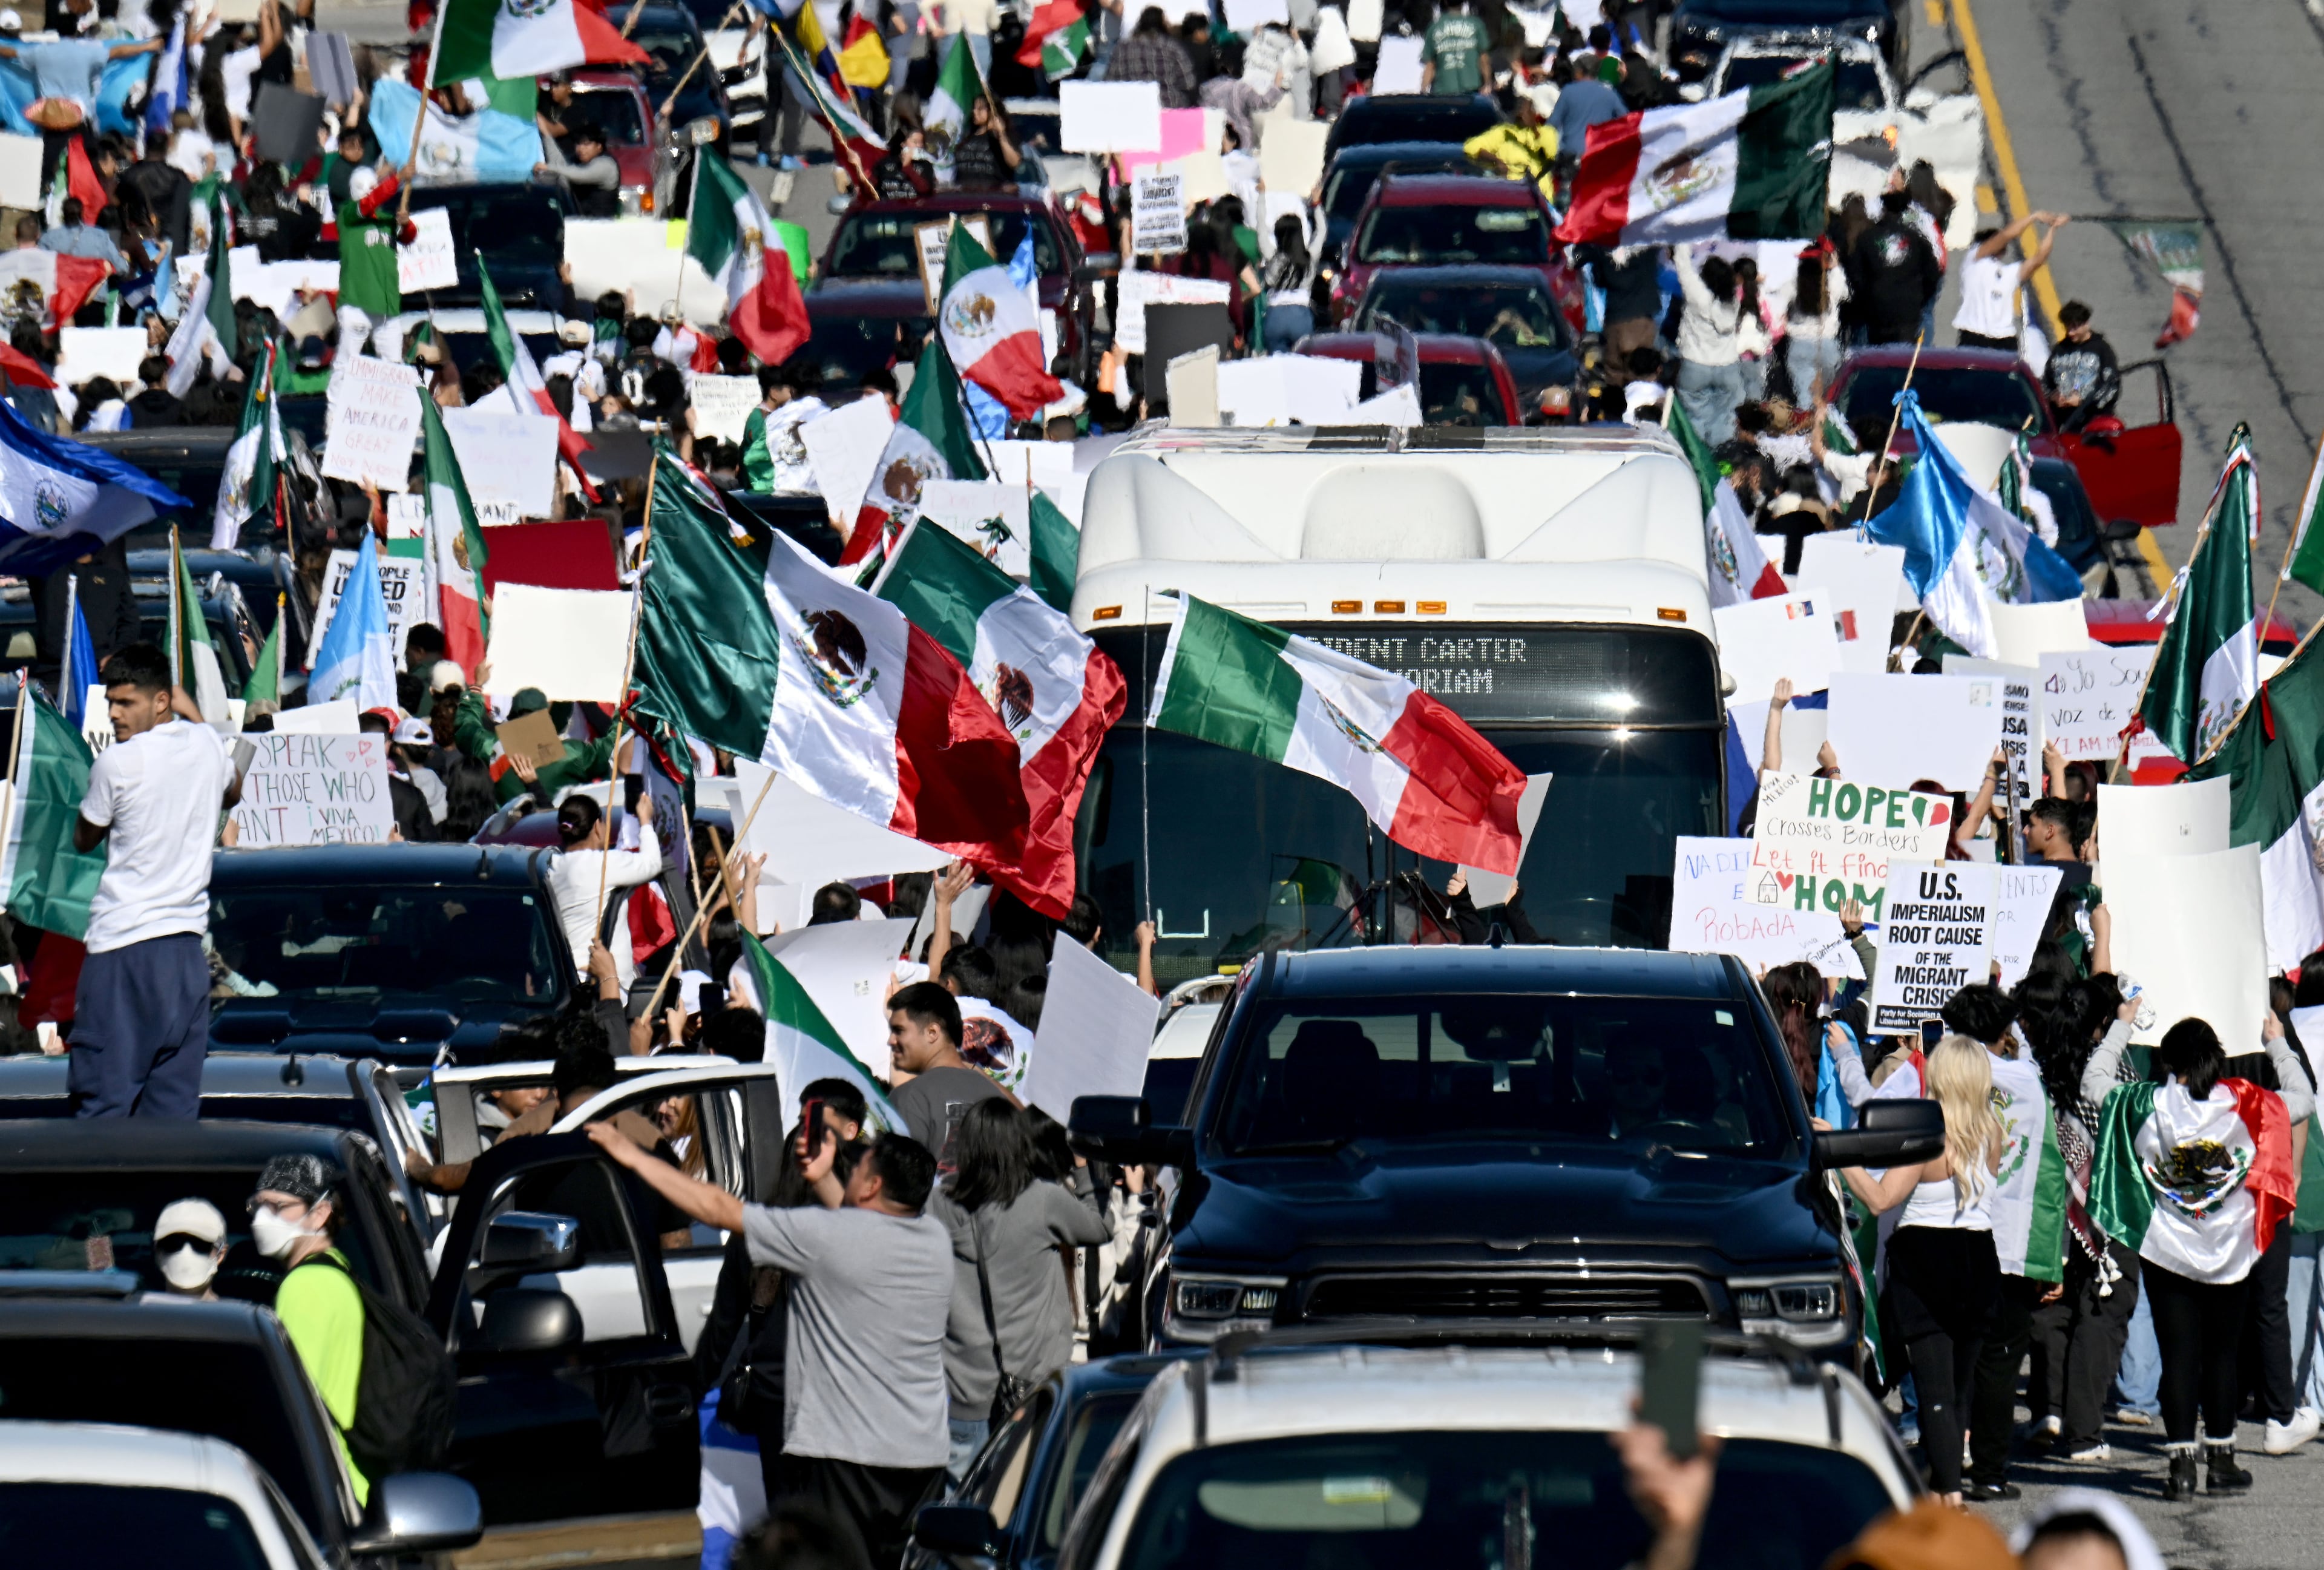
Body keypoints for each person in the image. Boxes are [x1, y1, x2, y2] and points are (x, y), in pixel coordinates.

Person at [586, 1119, 952, 1570]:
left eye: (857, 1170)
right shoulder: (934, 1241)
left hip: (852, 1457)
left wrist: (633, 1156)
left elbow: (718, 1208)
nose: (849, 1173)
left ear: (873, 1184)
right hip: (923, 1455)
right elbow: (860, 1229)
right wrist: (822, 1178)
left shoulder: (825, 1237)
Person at [2083, 1013, 2307, 1499]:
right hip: (2231, 1249)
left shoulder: (2149, 1103)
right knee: (2222, 1357)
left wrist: (2121, 1026)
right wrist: (2277, 1044)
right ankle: (2222, 1461)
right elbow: (2305, 1099)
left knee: (2179, 1356)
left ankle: (2181, 1466)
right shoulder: (2245, 1102)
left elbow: (2093, 1083)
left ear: (2169, 1059)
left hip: (2169, 1250)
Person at [1828, 1036, 2003, 1503]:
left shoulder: (1928, 1138)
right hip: (1980, 1258)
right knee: (1959, 1388)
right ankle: (1945, 1478)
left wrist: (1837, 1152)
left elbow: (1881, 1198)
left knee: (1934, 1389)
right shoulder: (1992, 1131)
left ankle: (1948, 1492)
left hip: (1926, 1260)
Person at [70, 645, 238, 1117]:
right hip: (185, 958)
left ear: (160, 701)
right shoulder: (206, 744)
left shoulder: (117, 763)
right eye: (111, 704)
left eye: (127, 703)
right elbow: (234, 785)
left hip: (124, 950)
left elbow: (85, 838)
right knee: (171, 1116)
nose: (115, 715)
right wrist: (194, 714)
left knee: (103, 1109)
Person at [939, 1100, 1112, 1480]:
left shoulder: (941, 1205)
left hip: (963, 1385)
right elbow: (1101, 1227)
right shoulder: (1042, 1200)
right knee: (1032, 1498)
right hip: (1034, 1386)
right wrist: (1086, 1172)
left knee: (958, 1504)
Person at [2020, 973, 2143, 1465]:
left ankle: (2048, 1409)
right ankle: (2084, 1432)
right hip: (2109, 1214)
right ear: (2105, 1022)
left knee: (2058, 1306)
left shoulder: (2047, 1065)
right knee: (2104, 1312)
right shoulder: (2111, 1071)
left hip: (2056, 1209)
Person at [251, 1152, 371, 1508]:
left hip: (328, 1492)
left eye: (278, 1207)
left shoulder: (305, 1287)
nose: (262, 1219)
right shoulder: (335, 1270)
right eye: (257, 1207)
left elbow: (291, 1406)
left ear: (319, 1213)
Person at [545, 791, 662, 985]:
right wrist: (646, 822)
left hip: (562, 983)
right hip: (605, 987)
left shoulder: (551, 867)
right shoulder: (605, 864)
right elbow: (653, 864)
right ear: (598, 827)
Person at [884, 981, 1007, 1157]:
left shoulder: (909, 1098)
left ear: (933, 1033)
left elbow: (899, 1175)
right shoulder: (997, 1096)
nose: (891, 1040)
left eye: (899, 1031)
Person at [1954, 211, 2064, 351]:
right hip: (1974, 333)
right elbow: (2007, 235)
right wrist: (2033, 217)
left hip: (2004, 337)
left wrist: (2052, 229)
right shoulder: (1974, 259)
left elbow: (2039, 258)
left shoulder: (2009, 273)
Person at [1670, 243, 1745, 444]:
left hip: (1695, 365)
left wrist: (1683, 239)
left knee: (1695, 420)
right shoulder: (1733, 303)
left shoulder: (1698, 296)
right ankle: (1722, 461)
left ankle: (1698, 465)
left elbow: (1684, 267)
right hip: (1728, 366)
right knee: (1725, 419)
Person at [1847, 189, 1942, 346]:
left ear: (1883, 209)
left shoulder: (1866, 239)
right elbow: (1933, 275)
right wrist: (1919, 298)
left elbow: (1855, 276)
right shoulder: (1916, 239)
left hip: (1878, 311)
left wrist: (1869, 299)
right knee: (1903, 361)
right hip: (1908, 312)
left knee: (1879, 361)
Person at [2043, 301, 2119, 432]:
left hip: (2094, 424)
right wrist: (2053, 397)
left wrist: (2082, 401)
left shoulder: (2102, 349)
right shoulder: (2059, 350)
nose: (2070, 333)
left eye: (2075, 327)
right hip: (2065, 424)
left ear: (2086, 324)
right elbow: (2045, 383)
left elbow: (2111, 386)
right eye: (2067, 328)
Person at [1106, 8, 1196, 110]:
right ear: (1162, 23)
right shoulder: (1172, 47)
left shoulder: (1122, 48)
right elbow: (1189, 82)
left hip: (1132, 108)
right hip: (1169, 107)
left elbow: (1110, 81)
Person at [536, 117, 620, 217]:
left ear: (599, 146)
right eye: (578, 144)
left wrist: (548, 168)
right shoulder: (578, 161)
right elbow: (561, 165)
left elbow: (580, 175)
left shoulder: (606, 164)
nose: (581, 149)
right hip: (579, 224)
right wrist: (546, 134)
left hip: (601, 226)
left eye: (587, 145)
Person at [151, 1196, 228, 1299]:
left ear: (220, 1255)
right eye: (173, 1243)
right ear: (157, 1252)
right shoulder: (135, 1313)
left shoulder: (238, 1314)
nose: (186, 1252)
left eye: (200, 1244)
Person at [1258, 214, 1314, 352]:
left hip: (1276, 315)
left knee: (1277, 366)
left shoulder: (1276, 258)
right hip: (1301, 314)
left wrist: (1261, 197)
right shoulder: (1309, 259)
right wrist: (1317, 205)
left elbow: (1262, 236)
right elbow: (1322, 232)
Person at [39, 195, 125, 275]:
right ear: (82, 213)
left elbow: (40, 267)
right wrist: (126, 259)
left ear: (63, 214)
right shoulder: (100, 236)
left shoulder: (48, 239)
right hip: (94, 289)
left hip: (63, 289)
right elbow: (121, 268)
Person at [949, 97, 1020, 192]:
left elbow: (1015, 163)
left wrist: (1001, 135)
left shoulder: (1002, 136)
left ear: (992, 112)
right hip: (965, 195)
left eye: (980, 109)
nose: (975, 112)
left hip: (993, 195)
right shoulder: (968, 137)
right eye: (974, 108)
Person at [1419, 0, 1487, 96]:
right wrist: (1488, 83)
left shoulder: (1434, 28)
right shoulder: (1476, 25)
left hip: (1443, 93)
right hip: (1472, 94)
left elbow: (1430, 65)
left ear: (1445, 2)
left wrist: (1423, 90)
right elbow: (1484, 59)